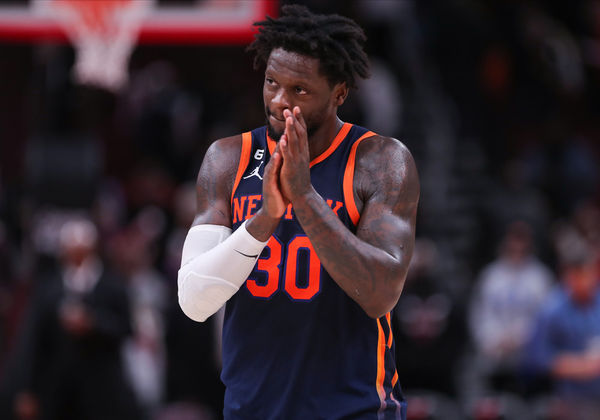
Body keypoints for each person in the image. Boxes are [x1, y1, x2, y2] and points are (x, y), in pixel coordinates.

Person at [178, 5, 419, 420]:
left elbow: (380, 294)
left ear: (339, 93)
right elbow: (194, 301)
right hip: (252, 410)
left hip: (353, 410)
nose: (278, 100)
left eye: (300, 90)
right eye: (272, 82)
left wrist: (305, 199)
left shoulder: (379, 160)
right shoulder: (228, 159)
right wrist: (264, 220)